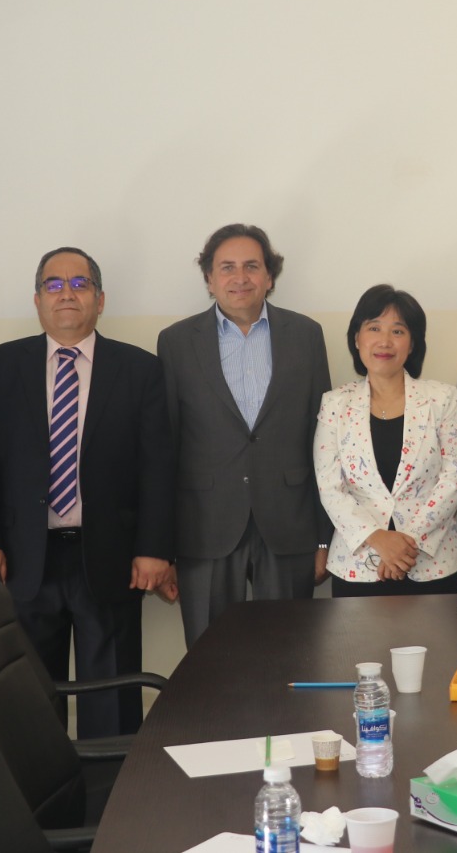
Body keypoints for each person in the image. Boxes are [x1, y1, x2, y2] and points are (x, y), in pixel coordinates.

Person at [0, 246, 175, 738]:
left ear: (100, 299)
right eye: (53, 284)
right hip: (23, 560)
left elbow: (157, 467)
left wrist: (154, 548)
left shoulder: (138, 369)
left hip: (110, 557)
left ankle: (112, 786)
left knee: (113, 697)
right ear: (37, 299)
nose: (67, 294)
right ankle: (45, 788)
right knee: (28, 699)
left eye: (80, 284)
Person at [157, 224, 332, 645]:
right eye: (227, 267)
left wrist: (325, 538)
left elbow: (324, 440)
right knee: (210, 657)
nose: (240, 277)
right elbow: (166, 447)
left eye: (252, 266)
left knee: (290, 652)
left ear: (269, 277)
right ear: (209, 279)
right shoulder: (176, 342)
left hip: (289, 523)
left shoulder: (306, 335)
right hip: (204, 526)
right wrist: (162, 547)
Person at [314, 285, 457, 596]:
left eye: (398, 331)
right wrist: (378, 539)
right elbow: (330, 486)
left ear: (412, 344)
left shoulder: (442, 399)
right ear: (357, 338)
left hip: (432, 564)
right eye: (374, 328)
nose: (384, 341)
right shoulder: (335, 404)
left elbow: (455, 476)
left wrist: (405, 544)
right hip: (358, 566)